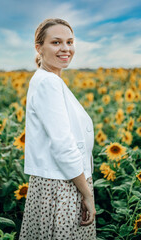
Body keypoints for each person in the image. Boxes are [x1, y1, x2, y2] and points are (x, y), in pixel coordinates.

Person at [19, 18, 96, 240]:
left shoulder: (48, 80)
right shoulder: (48, 83)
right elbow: (63, 146)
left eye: (70, 42)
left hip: (60, 182)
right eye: (56, 42)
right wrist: (87, 194)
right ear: (39, 47)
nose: (66, 49)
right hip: (62, 188)